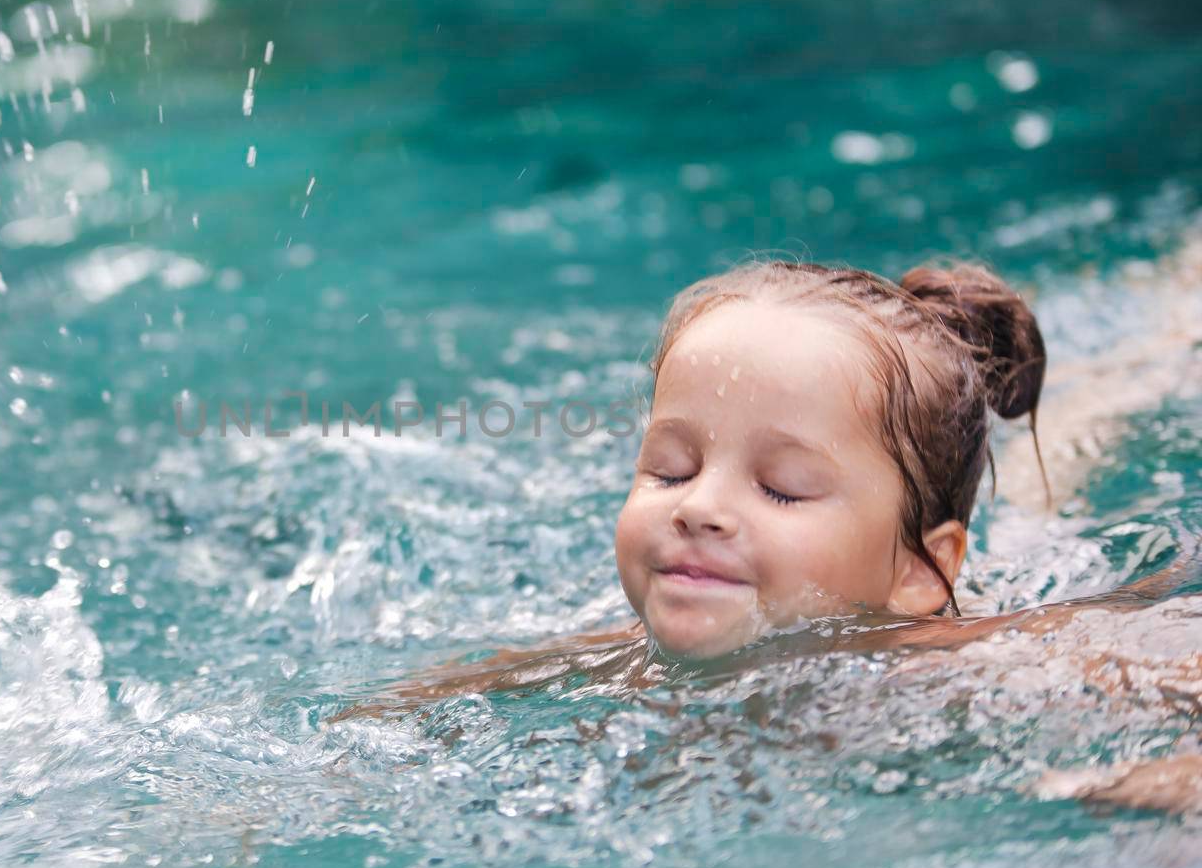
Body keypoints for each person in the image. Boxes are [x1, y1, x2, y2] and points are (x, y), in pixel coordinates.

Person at [343, 255, 1202, 810]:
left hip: (1028, 579)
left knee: (1072, 471)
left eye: (782, 489)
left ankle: (1173, 325)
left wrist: (1148, 784)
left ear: (918, 566)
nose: (699, 507)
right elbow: (399, 715)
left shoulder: (992, 669)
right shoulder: (617, 660)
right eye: (671, 469)